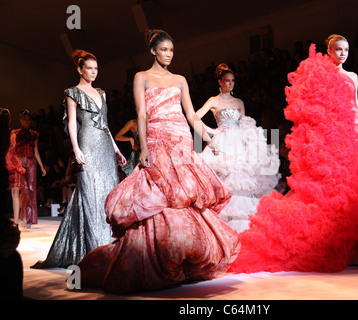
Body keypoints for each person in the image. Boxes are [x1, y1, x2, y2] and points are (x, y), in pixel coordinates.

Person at [77, 29, 240, 294]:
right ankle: (161, 257)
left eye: (172, 51)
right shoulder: (141, 77)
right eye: (164, 50)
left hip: (180, 138)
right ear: (153, 51)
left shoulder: (180, 79)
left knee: (184, 195)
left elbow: (191, 115)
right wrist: (143, 145)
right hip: (156, 138)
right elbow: (141, 113)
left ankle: (187, 257)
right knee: (160, 195)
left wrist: (208, 141)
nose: (168, 55)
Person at [229, 35, 358, 274]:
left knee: (351, 184)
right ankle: (329, 243)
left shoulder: (352, 76)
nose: (343, 54)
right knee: (330, 185)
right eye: (338, 50)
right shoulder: (320, 75)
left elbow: (356, 107)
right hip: (328, 136)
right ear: (329, 51)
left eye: (346, 50)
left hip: (351, 132)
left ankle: (354, 246)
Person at [31, 49, 126, 269]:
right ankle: (94, 249)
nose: (93, 72)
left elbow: (106, 125)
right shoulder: (72, 92)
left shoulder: (101, 93)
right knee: (89, 192)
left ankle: (109, 243)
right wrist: (75, 148)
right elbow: (72, 122)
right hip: (87, 144)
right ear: (79, 69)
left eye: (96, 69)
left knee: (108, 191)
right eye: (89, 68)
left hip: (103, 144)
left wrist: (116, 150)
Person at [195, 63, 280, 232]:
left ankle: (244, 225)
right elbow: (195, 117)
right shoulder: (213, 101)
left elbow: (245, 124)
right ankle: (223, 225)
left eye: (233, 81)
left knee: (243, 180)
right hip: (222, 141)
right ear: (220, 81)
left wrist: (253, 143)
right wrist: (212, 131)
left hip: (239, 141)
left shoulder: (239, 102)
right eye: (227, 81)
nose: (230, 84)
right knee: (224, 178)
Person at [0, 107, 23, 299]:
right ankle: (14, 220)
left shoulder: (12, 134)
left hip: (10, 162)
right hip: (8, 161)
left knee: (16, 192)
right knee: (14, 193)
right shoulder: (10, 134)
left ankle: (15, 219)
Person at [10, 110, 46, 228]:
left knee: (31, 190)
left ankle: (29, 219)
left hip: (31, 163)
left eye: (29, 119)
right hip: (19, 163)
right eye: (25, 119)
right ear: (20, 120)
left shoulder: (34, 134)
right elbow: (13, 150)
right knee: (24, 190)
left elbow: (36, 151)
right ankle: (23, 218)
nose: (27, 121)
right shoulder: (15, 133)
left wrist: (41, 167)